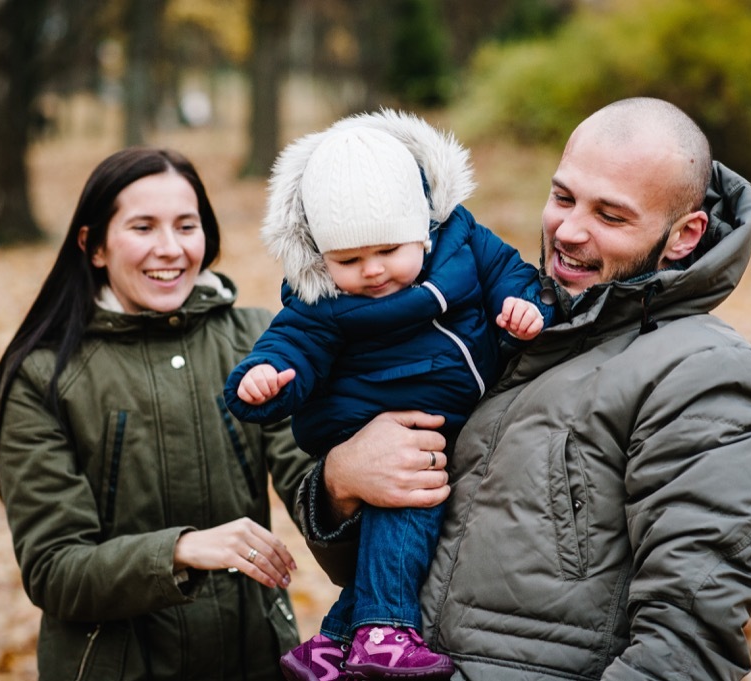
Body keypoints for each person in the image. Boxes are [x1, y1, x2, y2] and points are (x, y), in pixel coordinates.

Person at [296, 97, 751, 680]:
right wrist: (340, 484)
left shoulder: (708, 376)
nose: (569, 230)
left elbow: (685, 651)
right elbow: (379, 568)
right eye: (563, 198)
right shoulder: (503, 328)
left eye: (610, 217)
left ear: (685, 234)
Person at [222, 110, 553, 681]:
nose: (372, 272)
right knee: (406, 508)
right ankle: (384, 634)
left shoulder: (466, 242)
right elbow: (292, 343)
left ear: (423, 228)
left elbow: (513, 274)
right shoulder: (322, 299)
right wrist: (264, 378)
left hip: (445, 417)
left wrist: (526, 309)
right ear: (323, 258)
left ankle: (331, 642)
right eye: (348, 260)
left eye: (387, 251)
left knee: (401, 535)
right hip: (382, 422)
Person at [0, 147, 315, 680]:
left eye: (186, 226)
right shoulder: (41, 376)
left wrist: (349, 478)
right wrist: (181, 550)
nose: (170, 249)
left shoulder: (258, 341)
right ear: (93, 246)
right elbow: (54, 569)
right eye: (143, 227)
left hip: (255, 657)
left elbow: (312, 482)